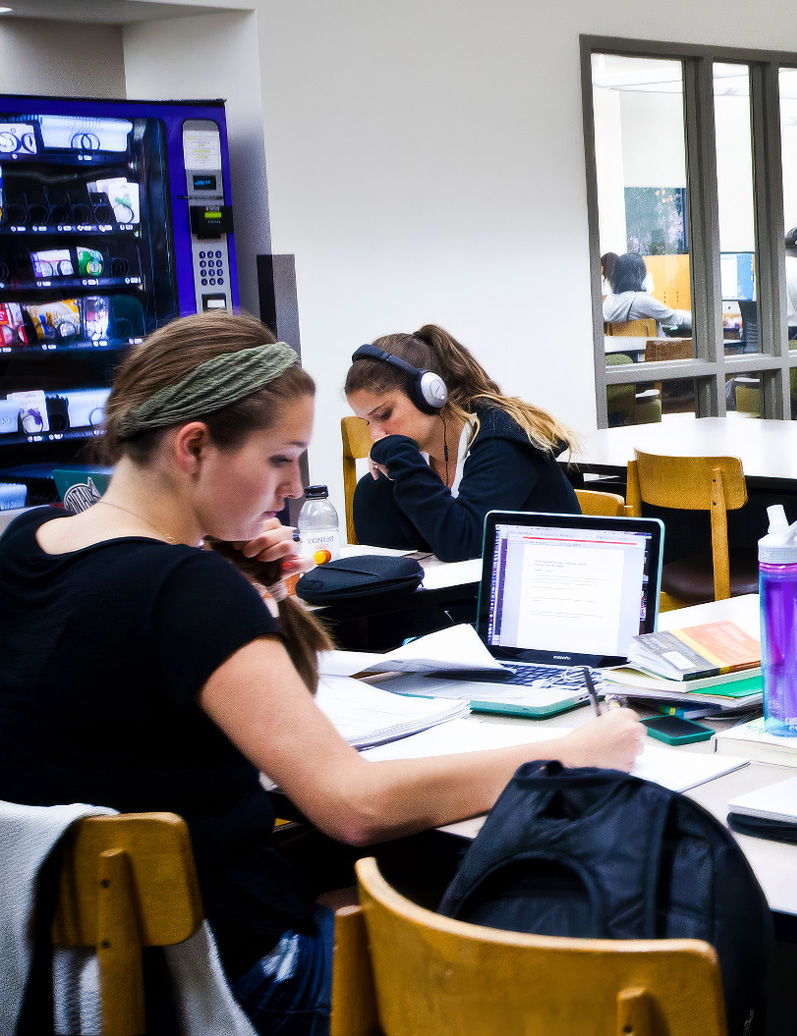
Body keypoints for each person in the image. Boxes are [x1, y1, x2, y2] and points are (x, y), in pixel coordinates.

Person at [0, 311, 644, 1035]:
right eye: (281, 458)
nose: (293, 487)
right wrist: (570, 753)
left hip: (66, 972)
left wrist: (264, 597)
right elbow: (353, 805)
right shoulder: (183, 589)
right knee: (583, 955)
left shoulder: (28, 543)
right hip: (234, 973)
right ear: (192, 447)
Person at [346, 325, 580, 561]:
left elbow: (461, 544)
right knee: (374, 489)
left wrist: (402, 459)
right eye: (367, 423)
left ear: (429, 395)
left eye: (384, 415)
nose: (376, 435)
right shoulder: (417, 464)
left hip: (547, 585)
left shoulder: (502, 440)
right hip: (469, 592)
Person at [601, 252, 690, 328]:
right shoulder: (641, 300)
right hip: (652, 347)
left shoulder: (609, 301)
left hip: (624, 347)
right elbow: (673, 318)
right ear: (638, 275)